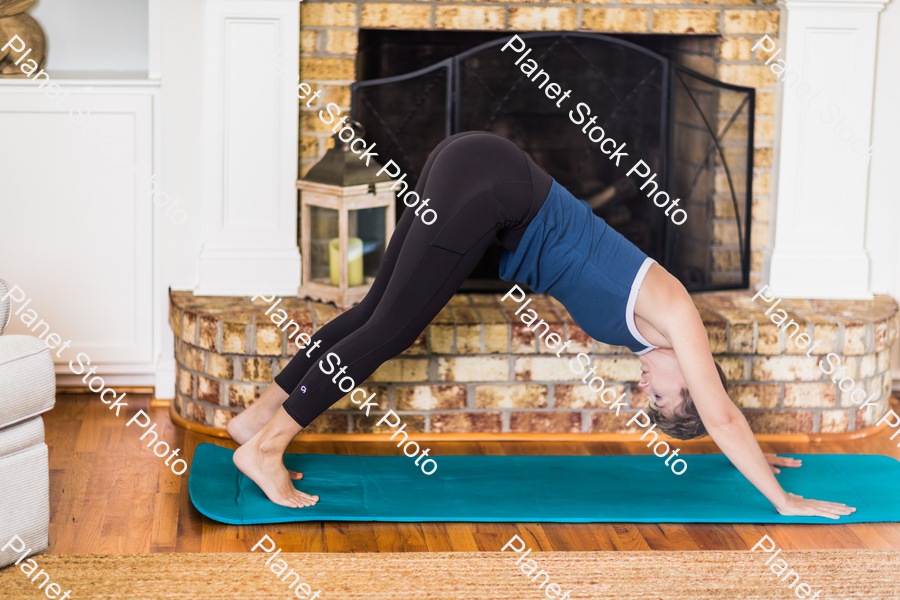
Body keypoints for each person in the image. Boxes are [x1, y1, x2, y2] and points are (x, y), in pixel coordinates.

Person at [227, 131, 856, 520]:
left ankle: (256, 418)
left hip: (477, 172)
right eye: (660, 395)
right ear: (693, 380)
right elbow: (720, 415)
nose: (645, 390)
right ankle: (268, 448)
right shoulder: (678, 314)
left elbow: (719, 416)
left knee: (372, 316)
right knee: (391, 330)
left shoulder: (656, 336)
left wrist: (757, 456)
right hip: (490, 185)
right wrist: (780, 498)